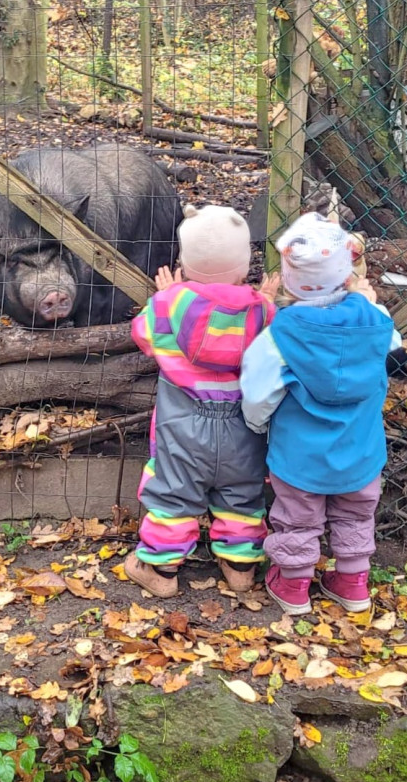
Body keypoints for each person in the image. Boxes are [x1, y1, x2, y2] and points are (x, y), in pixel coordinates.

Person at [240, 213, 401, 615]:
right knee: (356, 513)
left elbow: (259, 389)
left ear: (290, 280)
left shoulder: (283, 331)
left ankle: (293, 586)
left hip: (300, 454)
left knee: (297, 517)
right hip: (361, 451)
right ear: (348, 276)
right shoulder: (376, 320)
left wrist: (257, 422)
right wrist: (365, 301)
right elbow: (392, 343)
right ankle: (352, 581)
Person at [124, 204, 279, 598]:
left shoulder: (169, 305)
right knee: (242, 491)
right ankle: (241, 567)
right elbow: (269, 342)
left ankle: (160, 570)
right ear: (245, 266)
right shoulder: (262, 310)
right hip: (243, 424)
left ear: (184, 264)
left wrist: (169, 294)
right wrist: (264, 298)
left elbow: (143, 335)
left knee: (173, 492)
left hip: (183, 426)